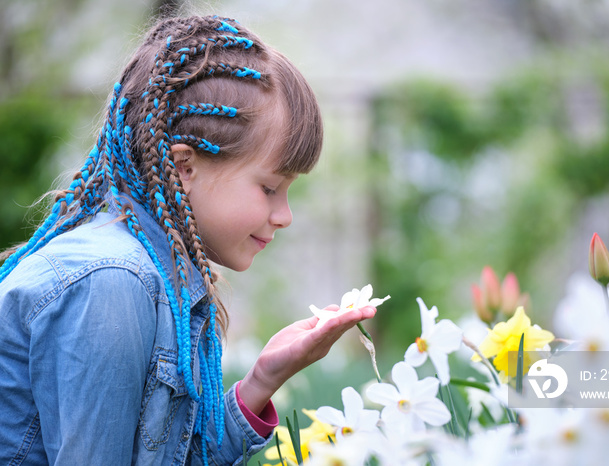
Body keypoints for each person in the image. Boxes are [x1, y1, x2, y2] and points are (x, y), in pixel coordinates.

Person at [0, 14, 376, 465]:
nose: (285, 216)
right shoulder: (113, 283)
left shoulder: (160, 277)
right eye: (270, 188)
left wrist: (261, 380)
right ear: (185, 167)